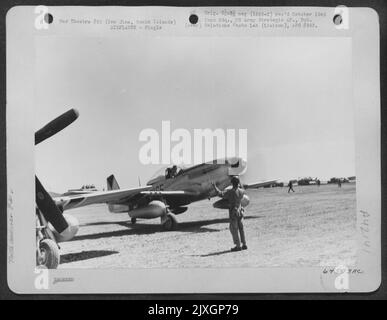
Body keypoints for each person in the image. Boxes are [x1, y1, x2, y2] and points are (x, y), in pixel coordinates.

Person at [212, 176, 247, 252]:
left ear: (232, 183)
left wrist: (215, 186)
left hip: (233, 212)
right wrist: (239, 181)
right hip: (240, 211)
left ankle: (238, 246)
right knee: (241, 228)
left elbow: (220, 194)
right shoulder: (242, 191)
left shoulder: (230, 192)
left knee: (234, 229)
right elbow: (243, 189)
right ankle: (244, 244)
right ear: (238, 183)